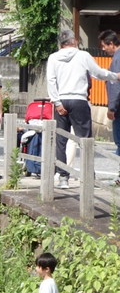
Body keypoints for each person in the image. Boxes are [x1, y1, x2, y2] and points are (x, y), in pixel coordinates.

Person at [46, 30, 120, 188]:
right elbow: (98, 73)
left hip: (62, 100)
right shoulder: (83, 56)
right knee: (85, 140)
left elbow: (51, 81)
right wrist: (115, 76)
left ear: (61, 43)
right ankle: (88, 178)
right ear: (74, 41)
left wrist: (57, 103)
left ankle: (63, 178)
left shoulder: (53, 58)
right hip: (79, 100)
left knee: (61, 139)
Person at [102, 30, 120, 186]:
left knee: (119, 141)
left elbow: (115, 86)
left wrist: (112, 108)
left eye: (104, 46)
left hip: (119, 109)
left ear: (111, 44)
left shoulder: (117, 59)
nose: (103, 49)